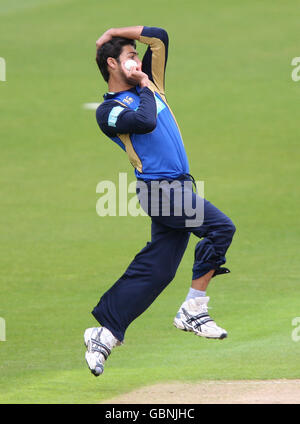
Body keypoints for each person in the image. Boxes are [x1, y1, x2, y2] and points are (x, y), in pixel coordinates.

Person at [84, 26, 236, 376]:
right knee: (220, 227)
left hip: (180, 189)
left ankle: (104, 334)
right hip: (158, 191)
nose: (138, 60)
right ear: (112, 64)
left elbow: (159, 37)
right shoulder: (108, 111)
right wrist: (141, 85)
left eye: (138, 56)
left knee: (158, 269)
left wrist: (115, 31)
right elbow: (145, 121)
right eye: (129, 57)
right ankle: (193, 309)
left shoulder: (150, 83)